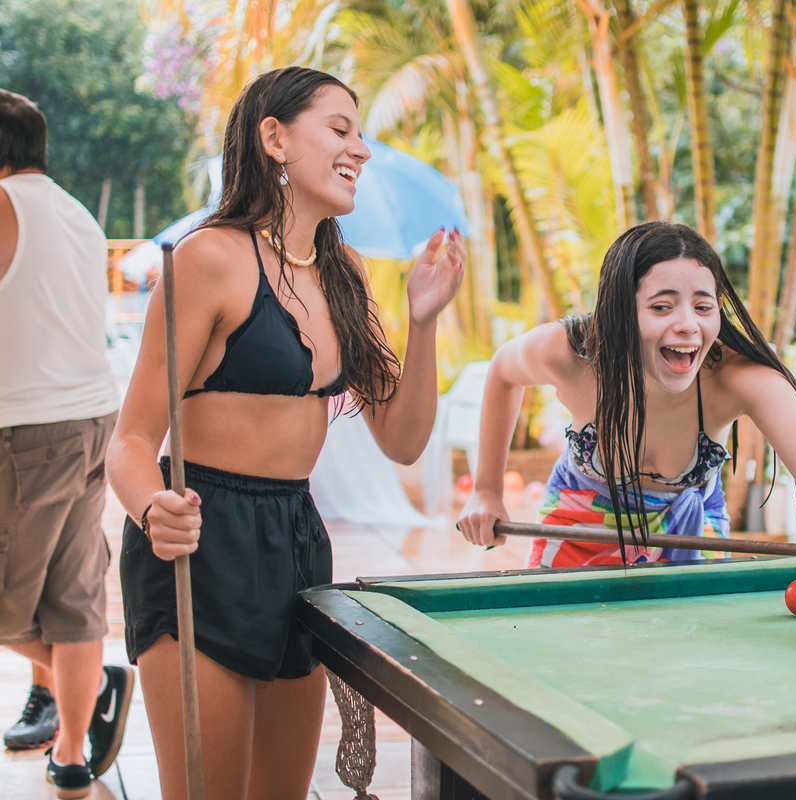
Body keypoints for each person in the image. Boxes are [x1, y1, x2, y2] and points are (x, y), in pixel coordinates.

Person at [106, 67, 463, 800]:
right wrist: (152, 508)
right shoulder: (210, 258)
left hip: (297, 537)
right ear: (274, 137)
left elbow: (402, 439)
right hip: (200, 536)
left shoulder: (347, 275)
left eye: (360, 132)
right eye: (340, 129)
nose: (360, 149)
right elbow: (131, 440)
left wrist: (423, 320)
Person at [457, 220, 796, 588]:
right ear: (623, 311)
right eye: (662, 306)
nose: (688, 326)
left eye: (702, 305)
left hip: (692, 531)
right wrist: (485, 489)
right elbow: (502, 374)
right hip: (580, 521)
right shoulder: (572, 353)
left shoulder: (739, 377)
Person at [0, 89, 135, 798]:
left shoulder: (5, 206)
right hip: (91, 420)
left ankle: (66, 675)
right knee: (72, 595)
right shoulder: (77, 214)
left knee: (16, 604)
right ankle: (74, 753)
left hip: (28, 427)